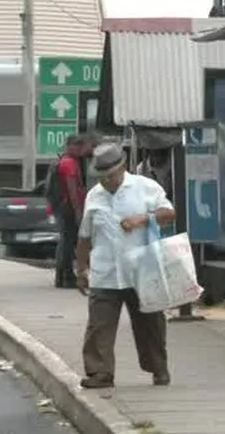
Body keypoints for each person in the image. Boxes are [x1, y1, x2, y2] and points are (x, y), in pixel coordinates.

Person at [76, 143, 177, 389]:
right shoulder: (94, 196)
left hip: (141, 270)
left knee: (150, 325)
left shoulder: (145, 188)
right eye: (101, 177)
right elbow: (85, 236)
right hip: (105, 271)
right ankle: (100, 373)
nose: (106, 181)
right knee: (99, 327)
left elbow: (169, 214)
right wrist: (81, 269)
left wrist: (143, 219)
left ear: (122, 168)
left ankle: (158, 369)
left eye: (110, 175)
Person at [54, 133, 96, 288]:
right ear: (72, 146)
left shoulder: (67, 161)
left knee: (67, 241)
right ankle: (66, 276)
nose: (82, 150)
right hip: (69, 208)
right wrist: (78, 210)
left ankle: (62, 276)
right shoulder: (69, 163)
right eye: (79, 146)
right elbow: (72, 188)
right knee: (70, 241)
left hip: (67, 207)